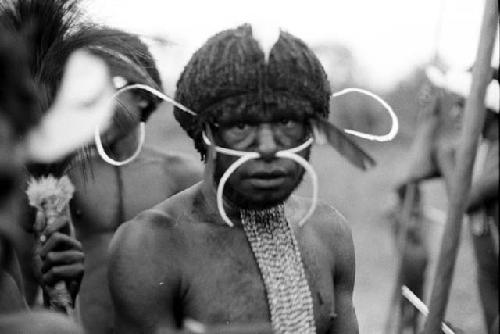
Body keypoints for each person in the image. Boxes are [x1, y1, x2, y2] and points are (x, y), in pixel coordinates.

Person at [109, 24, 364, 334]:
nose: (268, 147)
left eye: (286, 122)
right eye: (242, 125)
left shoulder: (329, 232)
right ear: (206, 133)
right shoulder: (152, 245)